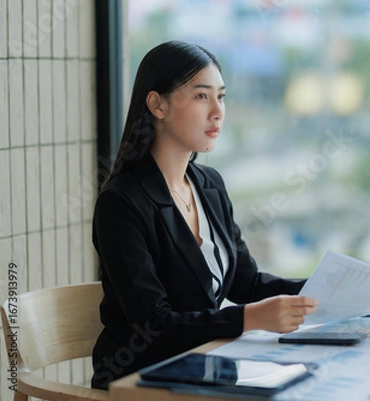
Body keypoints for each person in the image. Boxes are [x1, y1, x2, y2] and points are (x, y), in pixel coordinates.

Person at [91, 40, 318, 390]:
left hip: (208, 369)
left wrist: (324, 289)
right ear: (157, 105)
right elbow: (154, 324)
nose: (218, 111)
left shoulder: (209, 185)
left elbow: (247, 283)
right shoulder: (121, 204)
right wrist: (249, 318)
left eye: (221, 97)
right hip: (141, 381)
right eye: (201, 96)